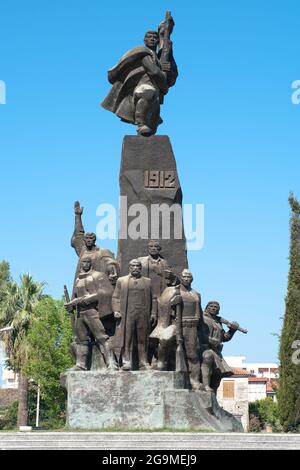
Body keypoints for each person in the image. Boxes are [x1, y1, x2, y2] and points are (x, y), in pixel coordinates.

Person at [101, 15, 178, 136]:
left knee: (152, 126)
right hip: (142, 88)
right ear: (144, 40)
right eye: (149, 37)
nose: (152, 39)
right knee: (148, 92)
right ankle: (140, 123)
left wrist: (166, 39)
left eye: (155, 37)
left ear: (158, 41)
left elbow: (167, 63)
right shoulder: (143, 53)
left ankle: (147, 130)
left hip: (156, 94)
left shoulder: (157, 57)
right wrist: (163, 82)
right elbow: (154, 72)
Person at [150, 269, 203, 390]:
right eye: (184, 276)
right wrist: (173, 302)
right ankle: (161, 362)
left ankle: (194, 380)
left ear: (192, 279)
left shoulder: (196, 294)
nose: (186, 279)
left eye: (189, 277)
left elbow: (199, 312)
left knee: (192, 355)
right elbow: (163, 305)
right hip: (176, 324)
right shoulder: (174, 291)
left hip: (191, 327)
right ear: (181, 278)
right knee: (165, 339)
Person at [65, 256, 112, 371]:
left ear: (91, 264)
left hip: (92, 311)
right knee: (82, 340)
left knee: (102, 337)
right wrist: (71, 305)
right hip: (80, 313)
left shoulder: (98, 275)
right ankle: (81, 365)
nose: (85, 264)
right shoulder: (78, 279)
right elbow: (75, 296)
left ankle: (111, 363)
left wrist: (83, 300)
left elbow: (105, 293)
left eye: (87, 262)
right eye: (83, 262)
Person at [112, 259, 157, 371]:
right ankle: (127, 362)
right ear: (129, 267)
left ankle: (143, 362)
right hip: (127, 313)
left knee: (143, 339)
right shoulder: (121, 281)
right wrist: (116, 310)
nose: (135, 268)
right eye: (133, 266)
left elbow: (154, 298)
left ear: (141, 268)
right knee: (128, 339)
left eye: (138, 266)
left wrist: (153, 313)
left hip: (143, 313)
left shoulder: (148, 281)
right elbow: (115, 297)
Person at [200, 301, 239, 393]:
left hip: (217, 352)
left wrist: (232, 331)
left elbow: (224, 338)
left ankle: (213, 396)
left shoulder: (218, 322)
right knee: (207, 358)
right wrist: (210, 340)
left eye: (216, 307)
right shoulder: (202, 319)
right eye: (211, 306)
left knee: (217, 377)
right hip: (204, 348)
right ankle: (205, 386)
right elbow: (198, 334)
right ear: (207, 308)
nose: (214, 308)